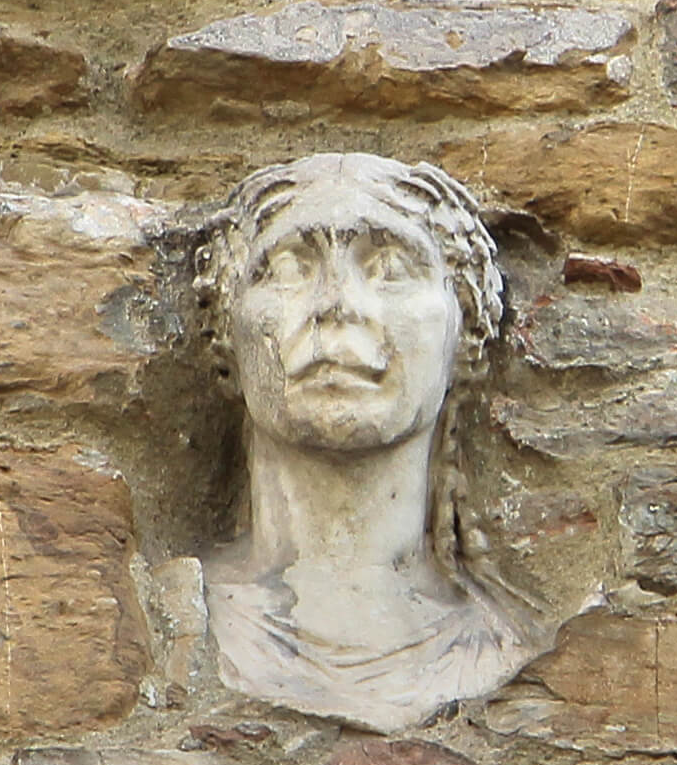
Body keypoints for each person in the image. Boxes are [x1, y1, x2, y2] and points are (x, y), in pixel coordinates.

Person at [175, 152, 545, 732]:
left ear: (466, 334)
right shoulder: (172, 618)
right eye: (290, 267)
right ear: (224, 336)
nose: (336, 305)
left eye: (392, 266)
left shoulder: (503, 649)